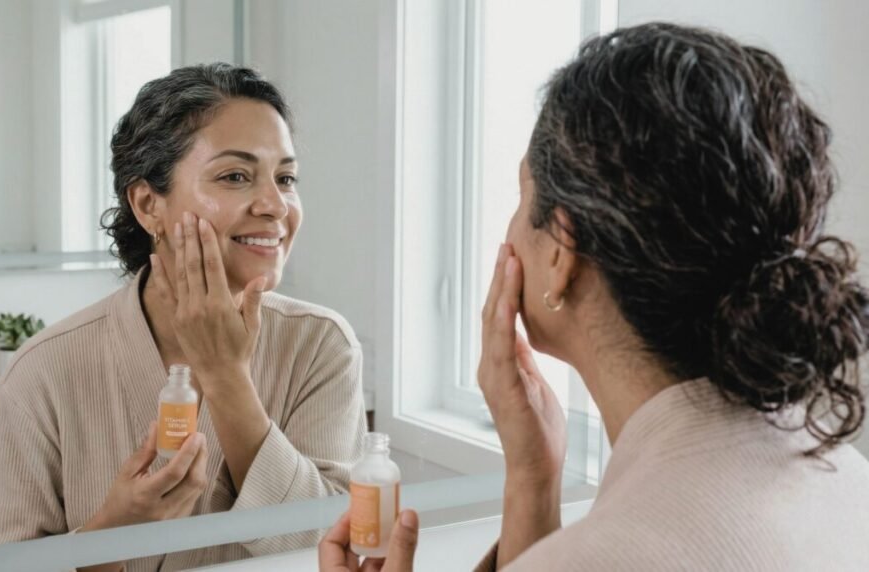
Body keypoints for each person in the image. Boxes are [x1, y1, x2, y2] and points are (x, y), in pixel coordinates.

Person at [319, 22, 869, 571]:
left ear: (561, 252)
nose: (508, 233)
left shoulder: (602, 555)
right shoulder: (848, 478)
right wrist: (533, 476)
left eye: (521, 194)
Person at [0, 63, 367, 571]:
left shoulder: (320, 346)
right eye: (235, 176)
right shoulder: (45, 371)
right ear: (147, 203)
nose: (275, 204)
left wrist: (227, 378)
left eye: (286, 178)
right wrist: (109, 537)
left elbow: (334, 549)